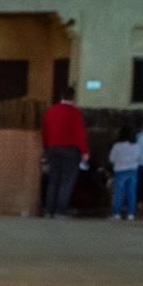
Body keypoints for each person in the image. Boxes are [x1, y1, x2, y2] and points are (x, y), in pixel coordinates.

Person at [41, 87, 89, 217]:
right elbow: (80, 134)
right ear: (73, 98)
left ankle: (49, 210)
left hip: (52, 148)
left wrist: (46, 148)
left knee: (53, 180)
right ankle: (60, 211)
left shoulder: (50, 111)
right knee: (67, 181)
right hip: (71, 150)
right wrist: (84, 152)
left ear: (61, 97)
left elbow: (45, 131)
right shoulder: (76, 113)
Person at [108, 127, 140, 220]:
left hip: (120, 170)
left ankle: (116, 213)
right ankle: (131, 214)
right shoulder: (136, 145)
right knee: (131, 193)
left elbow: (111, 159)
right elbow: (139, 157)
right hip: (133, 170)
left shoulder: (117, 146)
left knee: (119, 193)